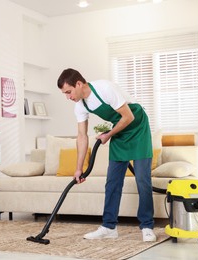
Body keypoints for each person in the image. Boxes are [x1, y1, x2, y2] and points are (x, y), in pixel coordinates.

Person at [57, 68, 156, 242]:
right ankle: (109, 226)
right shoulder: (80, 106)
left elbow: (128, 116)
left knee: (142, 180)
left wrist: (108, 135)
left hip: (137, 127)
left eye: (69, 92)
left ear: (79, 84)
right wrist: (79, 168)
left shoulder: (105, 88)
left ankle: (147, 226)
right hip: (120, 130)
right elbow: (81, 137)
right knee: (112, 182)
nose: (68, 97)